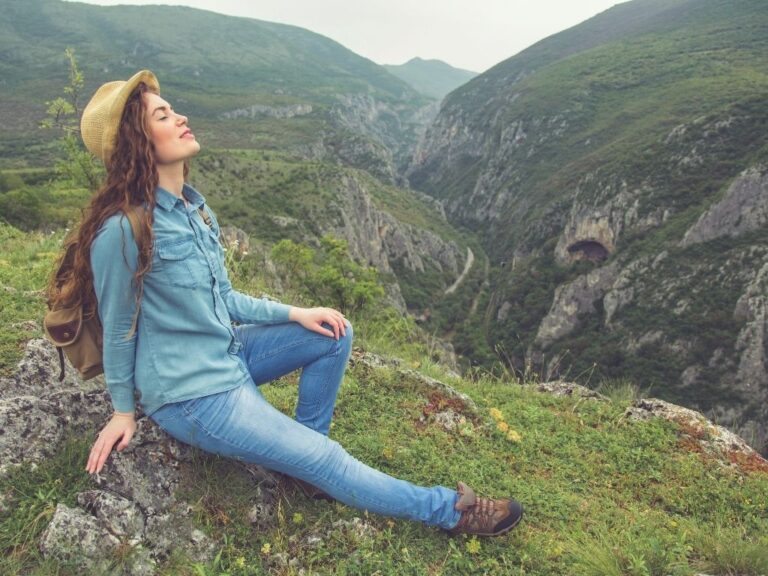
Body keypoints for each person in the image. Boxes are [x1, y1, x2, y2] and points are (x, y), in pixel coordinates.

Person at [61, 69, 523, 537]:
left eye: (173, 108)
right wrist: (123, 410)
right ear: (138, 142)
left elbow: (223, 298)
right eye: (163, 115)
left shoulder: (194, 210)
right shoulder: (122, 229)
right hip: (193, 393)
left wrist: (297, 314)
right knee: (328, 459)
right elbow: (120, 327)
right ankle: (450, 511)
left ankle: (302, 464)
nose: (181, 117)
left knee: (332, 335)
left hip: (229, 352)